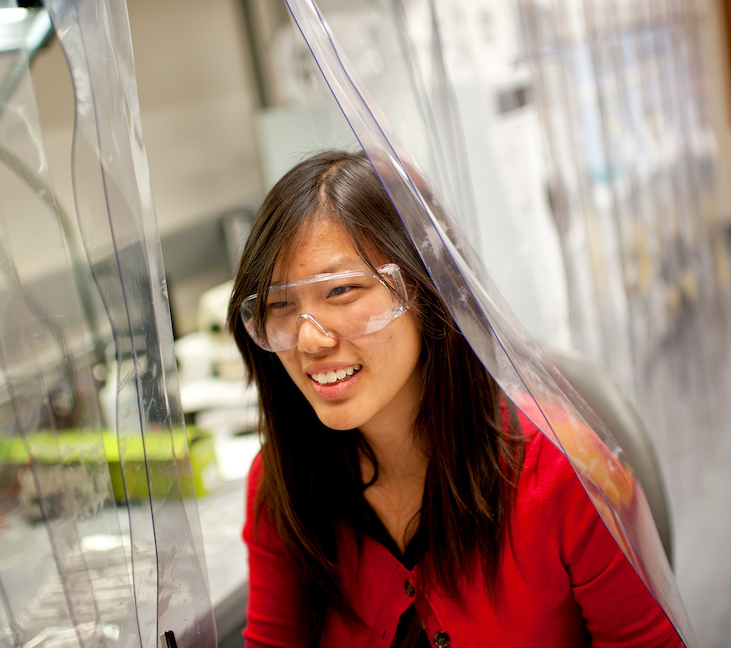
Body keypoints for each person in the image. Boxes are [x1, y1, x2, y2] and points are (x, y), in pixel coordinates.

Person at [226, 149, 685, 648]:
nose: (310, 339)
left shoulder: (563, 470)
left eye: (341, 292)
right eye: (280, 305)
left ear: (428, 289)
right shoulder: (282, 482)